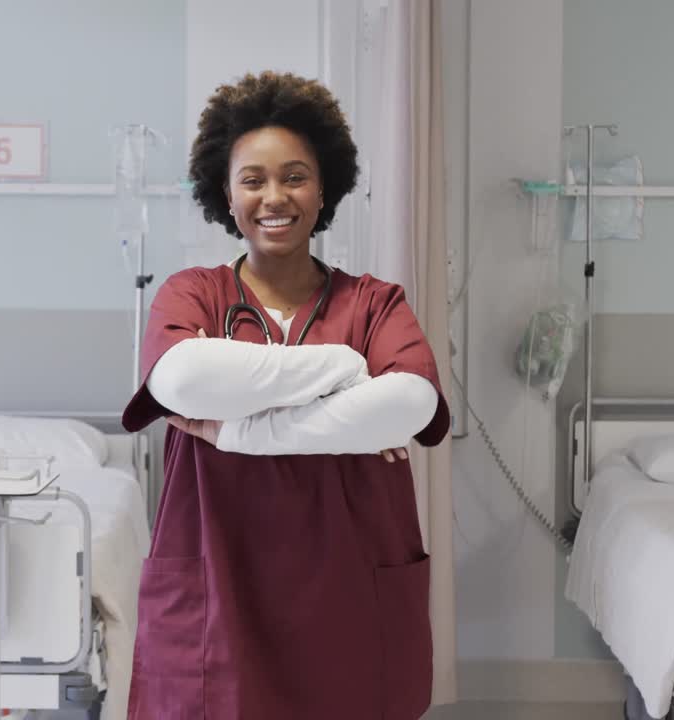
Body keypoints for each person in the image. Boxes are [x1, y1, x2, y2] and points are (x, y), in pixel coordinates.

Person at [121, 71, 450, 720]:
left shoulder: (375, 301)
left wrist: (243, 431)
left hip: (349, 588)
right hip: (220, 581)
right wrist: (343, 367)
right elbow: (181, 380)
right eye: (253, 179)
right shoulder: (191, 295)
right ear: (225, 191)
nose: (275, 196)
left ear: (324, 187)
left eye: (295, 176)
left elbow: (409, 403)